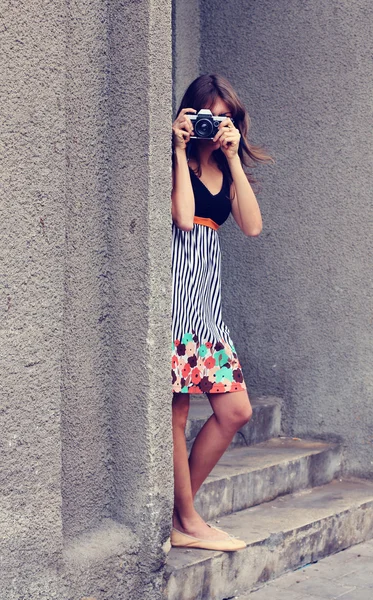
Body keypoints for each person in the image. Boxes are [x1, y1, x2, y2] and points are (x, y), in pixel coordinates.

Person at [170, 74, 272, 551]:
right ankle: (187, 521)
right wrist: (177, 152)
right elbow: (185, 220)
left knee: (235, 409)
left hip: (207, 302)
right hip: (174, 295)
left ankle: (179, 514)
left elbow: (251, 227)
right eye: (209, 117)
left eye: (225, 119)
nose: (216, 126)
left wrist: (232, 156)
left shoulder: (228, 168)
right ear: (192, 115)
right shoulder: (176, 161)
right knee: (178, 410)